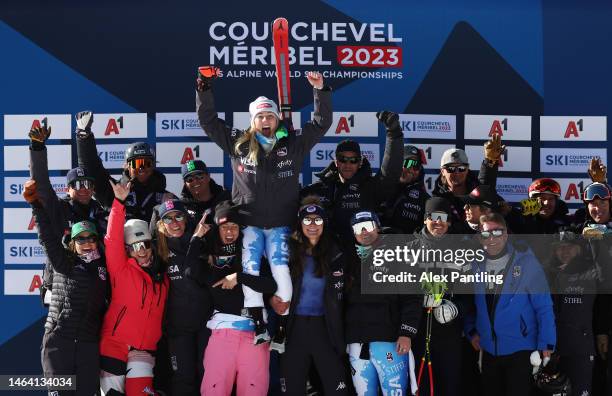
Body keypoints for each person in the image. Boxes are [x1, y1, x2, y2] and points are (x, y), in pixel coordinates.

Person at [196, 67, 332, 348]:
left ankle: (280, 329)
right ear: (253, 121)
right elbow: (208, 121)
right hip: (250, 225)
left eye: (269, 115)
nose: (265, 120)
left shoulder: (293, 144)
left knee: (282, 273)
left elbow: (320, 123)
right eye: (260, 116)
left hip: (282, 224)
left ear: (277, 118)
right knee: (249, 270)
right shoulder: (239, 144)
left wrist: (320, 91)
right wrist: (204, 86)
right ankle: (258, 325)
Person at [24, 180, 108, 395]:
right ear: (72, 243)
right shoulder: (64, 262)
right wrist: (36, 205)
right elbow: (47, 237)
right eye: (81, 239)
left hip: (88, 345)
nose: (87, 243)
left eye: (91, 238)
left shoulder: (104, 268)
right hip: (60, 343)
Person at [186, 201, 277, 396]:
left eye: (234, 227)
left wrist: (239, 277)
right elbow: (190, 271)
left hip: (255, 334)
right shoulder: (210, 258)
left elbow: (271, 286)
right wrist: (196, 237)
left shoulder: (251, 256)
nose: (229, 232)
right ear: (217, 228)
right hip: (222, 335)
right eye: (225, 227)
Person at [465, 213, 556, 396]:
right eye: (485, 234)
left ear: (505, 235)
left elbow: (544, 306)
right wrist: (472, 331)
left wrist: (546, 343)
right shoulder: (475, 264)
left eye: (496, 233)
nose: (491, 238)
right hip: (488, 349)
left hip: (520, 349)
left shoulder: (526, 263)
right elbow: (470, 303)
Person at [99, 180, 169, 395]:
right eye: (135, 247)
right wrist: (119, 202)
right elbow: (112, 240)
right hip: (115, 344)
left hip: (144, 349)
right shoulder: (120, 268)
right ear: (127, 250)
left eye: (146, 244)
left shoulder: (163, 276)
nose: (142, 251)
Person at [28, 124, 107, 305]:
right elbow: (41, 185)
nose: (83, 190)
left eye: (87, 185)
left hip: (94, 285)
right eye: (77, 185)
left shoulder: (102, 212)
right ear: (68, 189)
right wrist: (38, 148)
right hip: (62, 286)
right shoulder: (59, 208)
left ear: (93, 188)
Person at [345, 210, 421, 395]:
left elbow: (412, 296)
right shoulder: (346, 258)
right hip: (357, 343)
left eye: (369, 226)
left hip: (389, 342)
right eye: (358, 227)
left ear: (377, 227)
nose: (364, 231)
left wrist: (406, 332)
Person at [276, 197, 348, 394]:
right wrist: (271, 299)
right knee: (292, 388)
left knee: (337, 388)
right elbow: (271, 283)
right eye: (307, 220)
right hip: (295, 328)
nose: (313, 225)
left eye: (318, 220)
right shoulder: (288, 251)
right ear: (300, 223)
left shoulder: (336, 252)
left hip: (324, 328)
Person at [302, 111, 404, 241]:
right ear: (336, 161)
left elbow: (390, 172)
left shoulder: (370, 188)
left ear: (360, 162)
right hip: (330, 256)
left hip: (361, 254)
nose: (348, 164)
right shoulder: (319, 189)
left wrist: (393, 134)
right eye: (343, 159)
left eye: (353, 160)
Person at [408, 197, 473, 396]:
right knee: (420, 387)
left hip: (448, 332)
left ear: (450, 222)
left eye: (443, 217)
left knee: (449, 386)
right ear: (425, 219)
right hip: (417, 331)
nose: (438, 222)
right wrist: (419, 299)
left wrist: (455, 308)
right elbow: (399, 292)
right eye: (433, 216)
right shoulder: (409, 249)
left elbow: (470, 295)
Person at [153, 199, 211, 396]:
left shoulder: (202, 242)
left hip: (206, 323)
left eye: (179, 216)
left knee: (207, 374)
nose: (175, 223)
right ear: (161, 224)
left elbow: (193, 273)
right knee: (182, 377)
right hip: (177, 328)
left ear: (186, 219)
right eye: (168, 219)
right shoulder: (157, 252)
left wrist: (197, 240)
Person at [75, 111, 175, 221]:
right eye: (136, 163)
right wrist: (83, 136)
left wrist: (171, 207)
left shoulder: (166, 198)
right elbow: (91, 168)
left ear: (153, 166)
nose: (141, 168)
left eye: (147, 163)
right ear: (126, 166)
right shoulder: (114, 191)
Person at [544, 231, 598, 396]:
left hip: (580, 348)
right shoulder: (545, 274)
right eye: (560, 248)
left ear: (580, 249)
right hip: (551, 349)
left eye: (570, 247)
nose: (565, 250)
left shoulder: (592, 271)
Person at [431, 135, 503, 229]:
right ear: (442, 172)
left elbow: (486, 185)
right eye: (451, 168)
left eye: (461, 168)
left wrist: (490, 162)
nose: (457, 172)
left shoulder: (478, 191)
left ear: (467, 169)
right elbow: (438, 231)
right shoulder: (437, 201)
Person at [380, 144, 430, 234]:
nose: (411, 169)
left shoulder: (425, 200)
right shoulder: (380, 187)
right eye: (407, 163)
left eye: (416, 166)